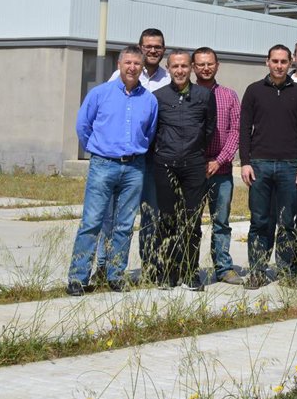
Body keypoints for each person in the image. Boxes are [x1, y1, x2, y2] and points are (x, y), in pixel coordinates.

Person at [68, 46, 158, 295]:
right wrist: (99, 150)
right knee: (92, 222)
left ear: (142, 67)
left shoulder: (149, 100)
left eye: (137, 63)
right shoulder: (100, 94)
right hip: (103, 165)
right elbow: (83, 126)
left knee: (124, 225)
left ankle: (115, 275)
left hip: (134, 168)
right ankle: (78, 278)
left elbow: (149, 133)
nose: (132, 67)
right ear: (119, 65)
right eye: (128, 62)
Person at [97, 27, 169, 281]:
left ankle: (149, 268)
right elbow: (101, 115)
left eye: (157, 47)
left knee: (151, 215)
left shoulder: (168, 79)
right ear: (140, 47)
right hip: (122, 160)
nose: (153, 50)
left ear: (163, 50)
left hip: (153, 160)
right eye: (148, 46)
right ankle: (105, 267)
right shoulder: (118, 75)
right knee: (112, 216)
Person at [240, 44, 297, 289]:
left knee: (287, 222)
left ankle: (287, 272)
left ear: (290, 63)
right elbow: (244, 129)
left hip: (290, 166)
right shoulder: (254, 91)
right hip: (259, 165)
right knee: (260, 221)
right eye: (275, 61)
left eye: (283, 61)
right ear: (267, 62)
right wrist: (245, 162)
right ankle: (257, 271)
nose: (279, 66)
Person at [151, 50, 216, 290]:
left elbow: (209, 129)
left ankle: (190, 272)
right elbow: (153, 131)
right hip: (165, 165)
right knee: (167, 219)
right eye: (175, 66)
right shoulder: (158, 97)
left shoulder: (204, 95)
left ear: (191, 69)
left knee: (192, 221)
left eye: (184, 66)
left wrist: (195, 151)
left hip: (194, 166)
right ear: (168, 69)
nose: (180, 71)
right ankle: (167, 272)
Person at [192, 47, 242, 285]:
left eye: (210, 63)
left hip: (221, 172)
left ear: (217, 65)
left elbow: (236, 131)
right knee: (191, 222)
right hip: (193, 171)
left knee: (221, 222)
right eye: (201, 64)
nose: (206, 68)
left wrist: (219, 160)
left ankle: (223, 268)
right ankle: (189, 267)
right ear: (194, 67)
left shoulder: (229, 96)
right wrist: (197, 162)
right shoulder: (187, 94)